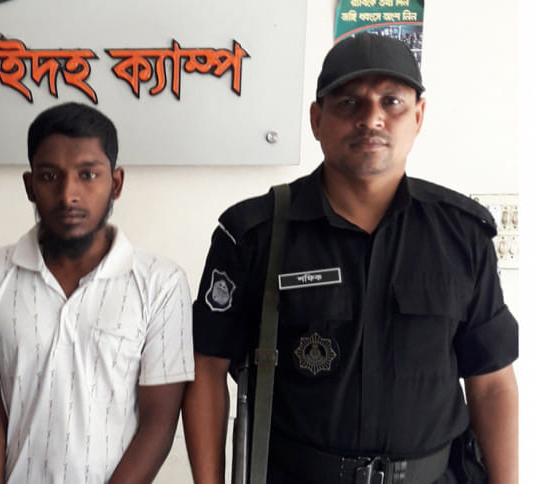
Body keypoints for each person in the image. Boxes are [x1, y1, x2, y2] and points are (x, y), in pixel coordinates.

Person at [182, 34, 518, 484]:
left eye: (391, 102)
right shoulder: (253, 234)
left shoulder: (462, 235)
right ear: (316, 119)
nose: (371, 118)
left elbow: (492, 381)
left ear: (418, 117)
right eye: (348, 102)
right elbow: (207, 368)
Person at [0, 102, 194, 483]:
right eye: (49, 176)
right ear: (29, 185)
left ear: (116, 183)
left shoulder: (161, 283)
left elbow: (159, 421)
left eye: (88, 174)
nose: (68, 194)